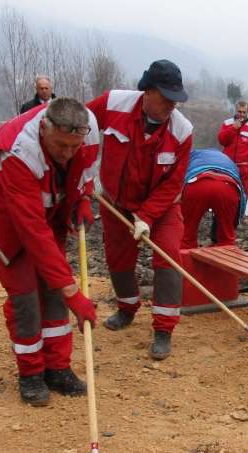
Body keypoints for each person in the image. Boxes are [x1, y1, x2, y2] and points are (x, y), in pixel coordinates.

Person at [0, 97, 100, 406]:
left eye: (73, 146)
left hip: (48, 199)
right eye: (60, 146)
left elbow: (84, 172)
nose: (68, 154)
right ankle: (30, 373)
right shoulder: (18, 153)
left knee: (54, 284)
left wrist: (82, 198)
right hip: (1, 206)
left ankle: (57, 368)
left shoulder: (88, 134)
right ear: (44, 128)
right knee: (26, 289)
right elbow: (33, 233)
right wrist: (74, 295)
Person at [86, 59, 193, 361]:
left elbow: (173, 184)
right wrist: (83, 178)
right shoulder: (112, 104)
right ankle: (127, 308)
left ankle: (163, 329)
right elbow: (79, 128)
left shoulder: (182, 131)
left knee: (169, 257)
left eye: (176, 99)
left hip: (163, 208)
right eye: (166, 98)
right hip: (115, 202)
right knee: (118, 258)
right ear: (147, 90)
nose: (172, 105)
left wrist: (146, 217)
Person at [180, 149, 246, 249]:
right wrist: (236, 219)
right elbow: (242, 195)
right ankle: (224, 259)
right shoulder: (230, 161)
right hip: (228, 187)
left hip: (198, 183)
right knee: (226, 238)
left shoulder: (189, 156)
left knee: (186, 234)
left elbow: (177, 181)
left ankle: (185, 258)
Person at [217, 100, 248, 196]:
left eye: (244, 112)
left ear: (247, 112)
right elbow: (221, 141)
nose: (241, 114)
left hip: (244, 169)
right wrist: (233, 128)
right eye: (239, 112)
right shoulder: (227, 123)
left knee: (243, 196)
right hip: (227, 166)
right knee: (225, 194)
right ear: (236, 111)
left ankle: (241, 211)